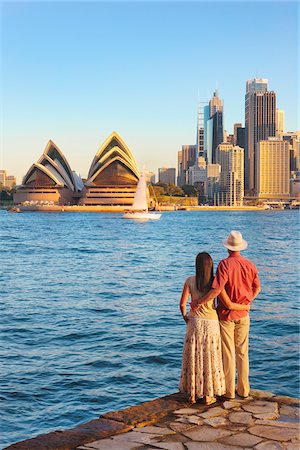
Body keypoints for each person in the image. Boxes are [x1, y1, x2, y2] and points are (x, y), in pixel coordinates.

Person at [191, 231, 260, 400]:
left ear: (228, 248)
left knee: (228, 353)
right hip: (243, 314)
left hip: (226, 315)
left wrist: (199, 301)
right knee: (242, 353)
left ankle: (229, 392)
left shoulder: (224, 265)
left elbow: (217, 290)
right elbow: (257, 288)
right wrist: (246, 302)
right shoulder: (250, 265)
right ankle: (244, 391)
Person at [179, 251, 250, 405]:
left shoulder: (189, 280)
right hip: (211, 323)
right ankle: (208, 395)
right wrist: (245, 305)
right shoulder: (215, 282)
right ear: (211, 266)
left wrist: (185, 316)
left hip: (194, 322)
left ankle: (192, 394)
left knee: (194, 357)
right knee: (210, 359)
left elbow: (182, 304)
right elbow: (227, 302)